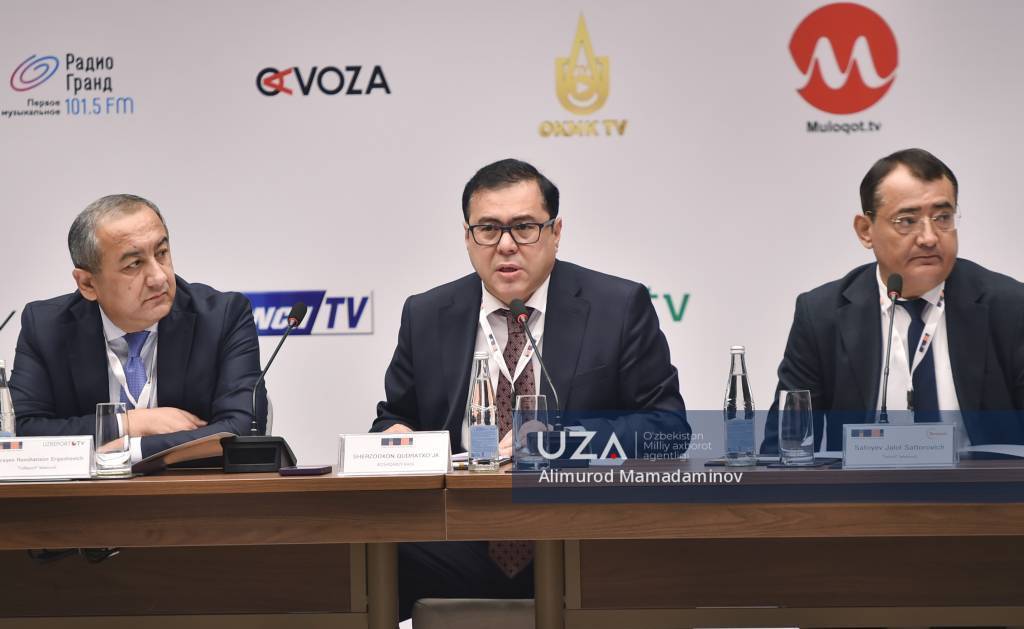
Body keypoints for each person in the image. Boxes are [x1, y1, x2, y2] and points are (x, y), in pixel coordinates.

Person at [371, 158, 689, 619]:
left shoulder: (617, 307)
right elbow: (395, 416)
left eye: (524, 227)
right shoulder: (427, 314)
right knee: (359, 558)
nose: (505, 245)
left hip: (578, 532)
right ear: (467, 237)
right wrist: (394, 435)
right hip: (460, 536)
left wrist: (558, 442)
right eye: (488, 229)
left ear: (555, 232)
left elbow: (667, 429)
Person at [762, 148, 1024, 454]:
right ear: (865, 231)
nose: (929, 237)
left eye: (943, 217)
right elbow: (784, 450)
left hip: (985, 486)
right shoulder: (822, 315)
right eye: (907, 221)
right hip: (864, 486)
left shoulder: (1010, 308)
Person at [11, 194, 267, 463]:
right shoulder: (46, 326)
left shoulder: (222, 317)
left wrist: (134, 450)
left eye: (161, 253)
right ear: (87, 283)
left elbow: (242, 428)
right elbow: (20, 431)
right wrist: (128, 423)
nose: (159, 277)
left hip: (190, 486)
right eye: (134, 264)